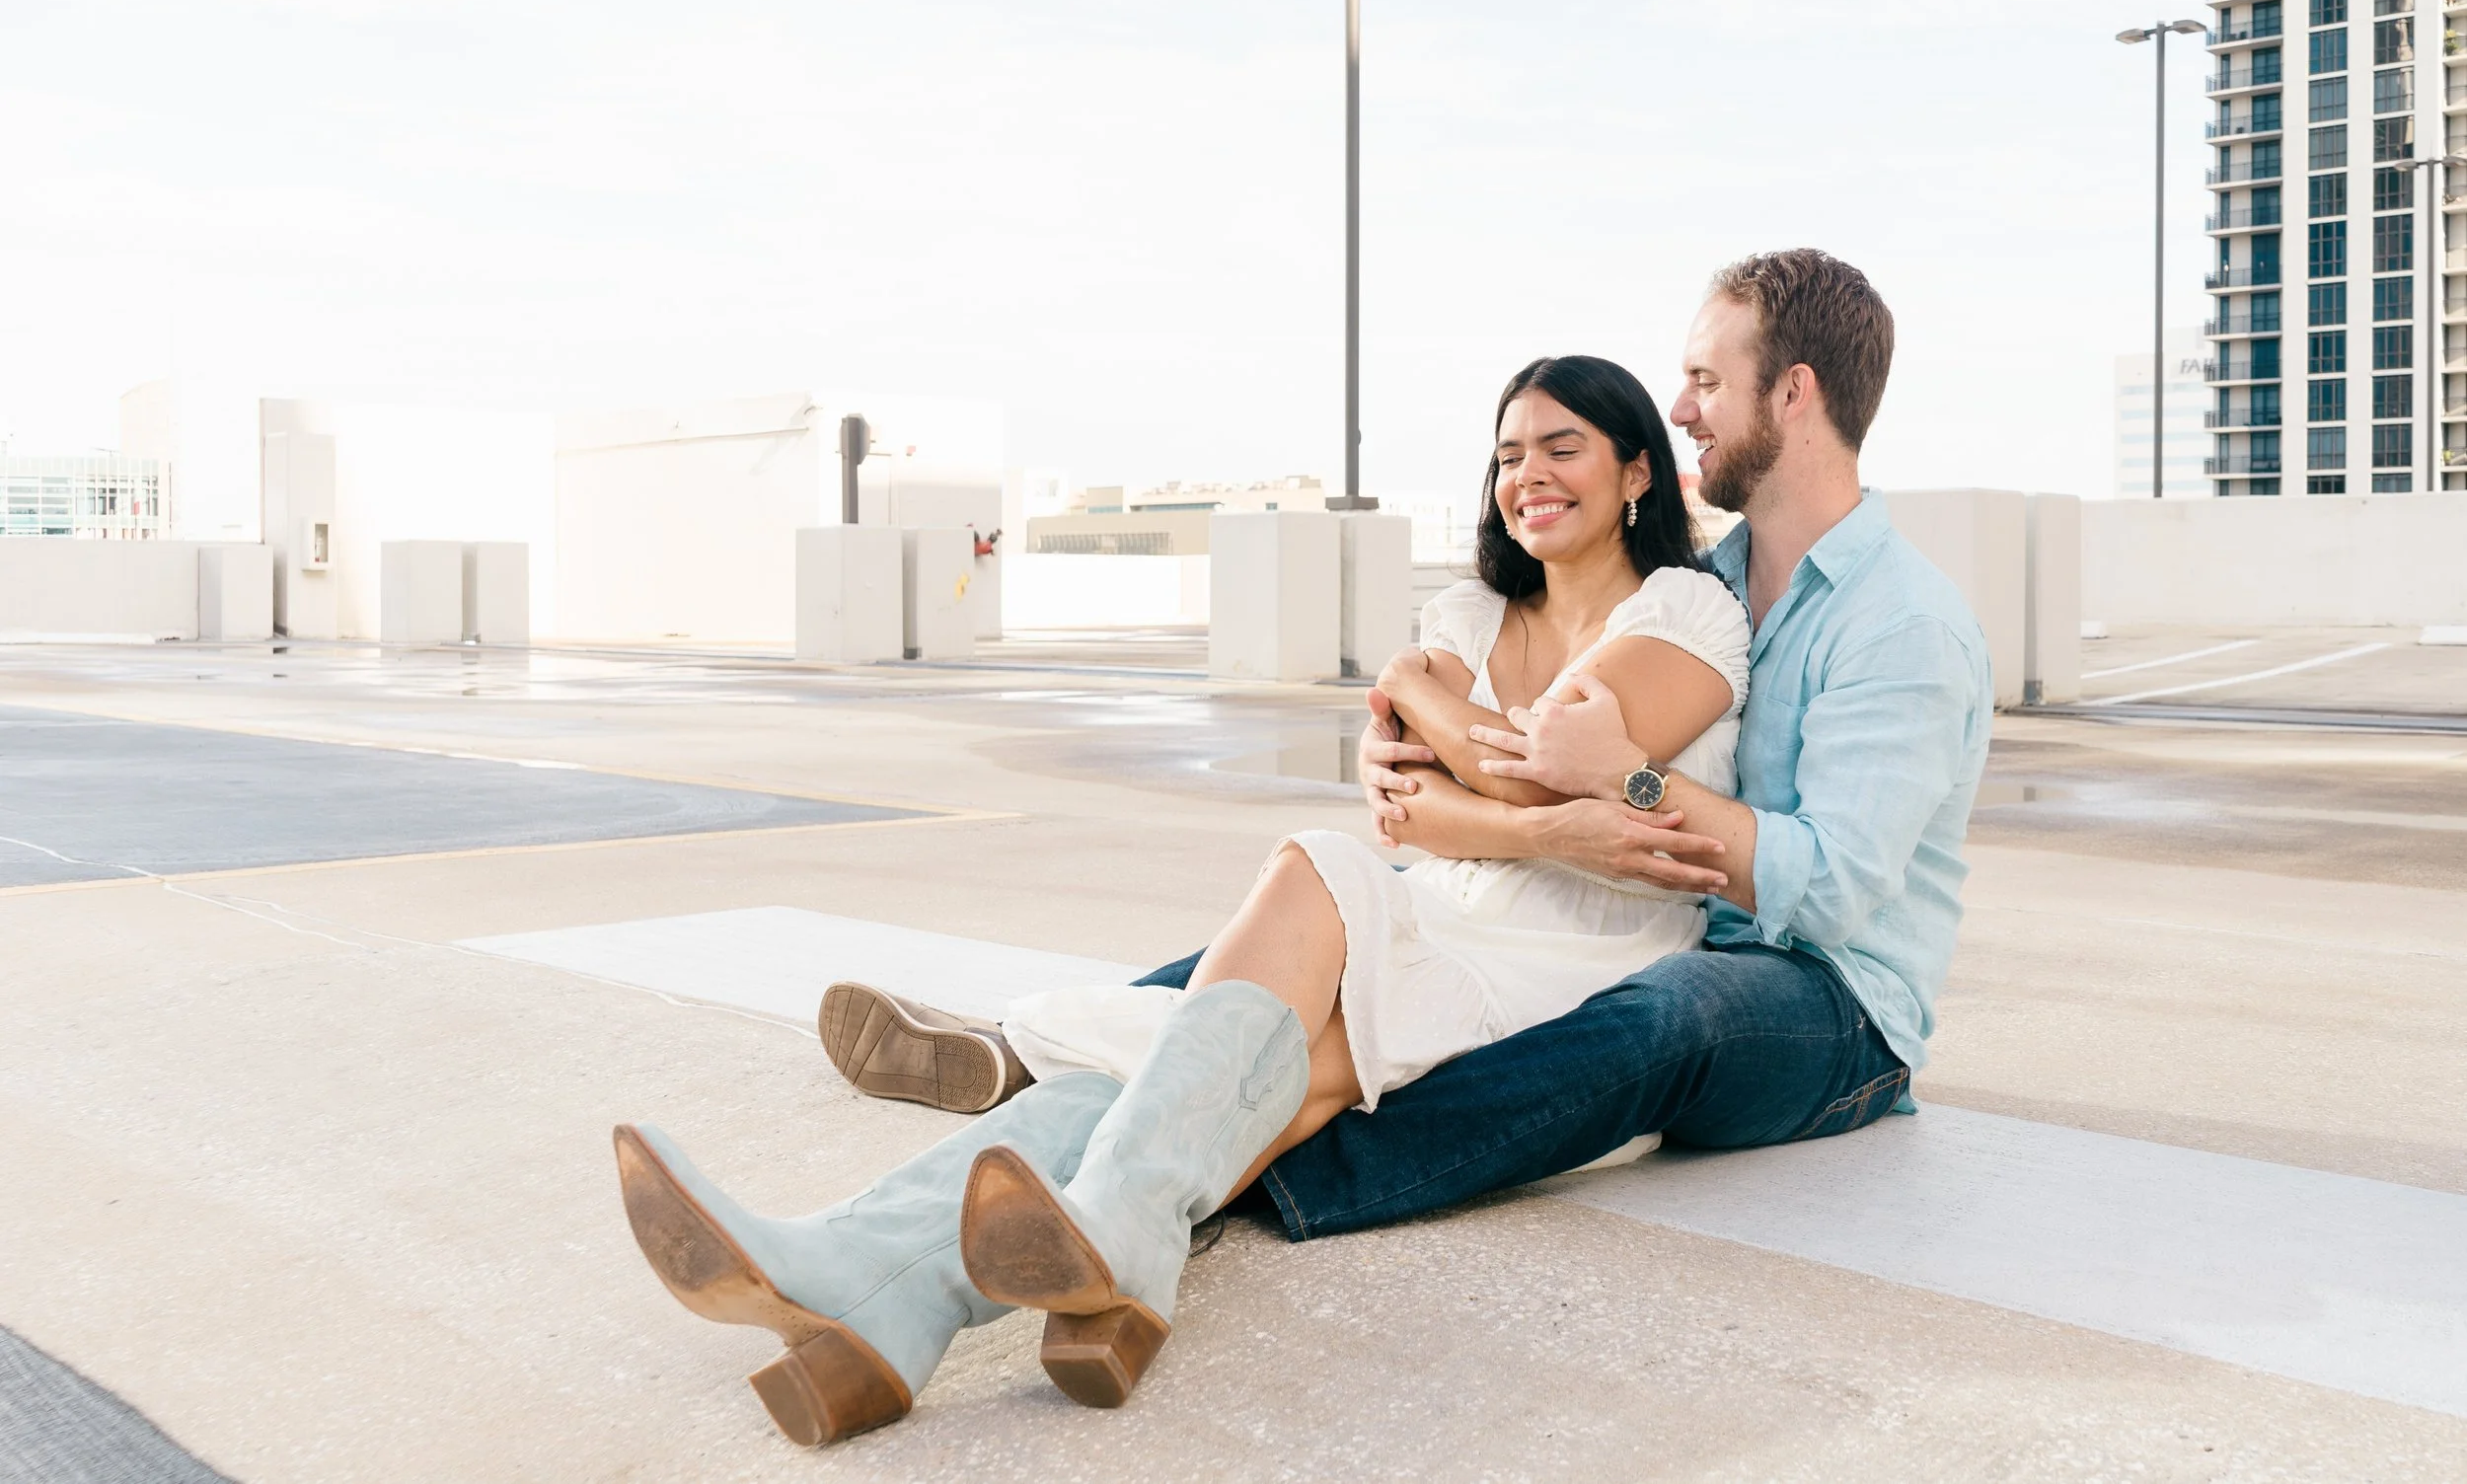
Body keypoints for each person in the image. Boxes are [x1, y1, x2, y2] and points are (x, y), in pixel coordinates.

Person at [613, 248, 1994, 1448]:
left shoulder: (1890, 619)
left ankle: (1125, 1150)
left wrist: (1605, 785)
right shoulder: (1724, 566)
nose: (1683, 401)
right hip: (1535, 899)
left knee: (1645, 1005)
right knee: (1291, 958)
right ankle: (903, 1288)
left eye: (1705, 376)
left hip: (1821, 995)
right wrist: (1535, 799)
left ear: (1794, 390)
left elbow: (1831, 878)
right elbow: (1459, 775)